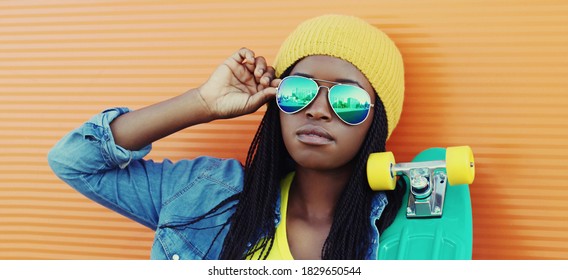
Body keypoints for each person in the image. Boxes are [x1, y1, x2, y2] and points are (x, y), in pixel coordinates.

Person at [48, 14, 405, 260]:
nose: (318, 110)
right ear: (275, 100)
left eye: (348, 100)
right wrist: (202, 102)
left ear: (377, 121)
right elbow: (74, 161)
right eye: (298, 91)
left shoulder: (411, 228)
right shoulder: (202, 195)